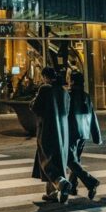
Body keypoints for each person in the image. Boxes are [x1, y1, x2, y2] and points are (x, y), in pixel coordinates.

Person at [30, 67, 72, 203]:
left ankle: (60, 183)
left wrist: (33, 100)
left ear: (45, 77)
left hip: (47, 128)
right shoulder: (64, 92)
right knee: (57, 159)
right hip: (63, 130)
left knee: (46, 159)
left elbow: (35, 107)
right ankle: (52, 193)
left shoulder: (45, 89)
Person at [67, 71, 101, 200]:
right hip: (83, 132)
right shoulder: (86, 96)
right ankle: (72, 186)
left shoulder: (69, 95)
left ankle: (91, 182)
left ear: (73, 81)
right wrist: (96, 135)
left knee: (69, 160)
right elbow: (92, 115)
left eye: (70, 79)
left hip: (71, 131)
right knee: (76, 160)